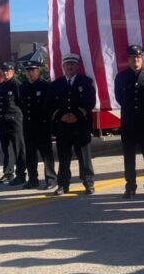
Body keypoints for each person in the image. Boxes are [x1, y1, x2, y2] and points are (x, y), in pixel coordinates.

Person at [47, 54, 97, 195]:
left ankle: (88, 183)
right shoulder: (56, 84)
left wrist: (76, 115)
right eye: (67, 64)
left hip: (81, 125)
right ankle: (63, 185)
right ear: (63, 66)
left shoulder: (86, 82)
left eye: (72, 64)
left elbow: (90, 102)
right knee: (63, 157)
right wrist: (61, 116)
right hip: (63, 127)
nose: (70, 67)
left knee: (84, 157)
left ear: (77, 66)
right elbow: (50, 104)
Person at [114, 45, 144, 199]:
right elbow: (119, 98)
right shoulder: (121, 77)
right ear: (128, 60)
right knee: (129, 156)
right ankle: (130, 186)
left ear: (142, 59)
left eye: (138, 58)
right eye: (132, 58)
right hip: (129, 122)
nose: (135, 60)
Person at [19, 61, 56, 190]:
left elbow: (50, 106)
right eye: (28, 71)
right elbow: (21, 105)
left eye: (33, 70)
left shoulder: (45, 86)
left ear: (38, 71)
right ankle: (33, 179)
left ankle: (51, 179)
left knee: (46, 154)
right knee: (30, 154)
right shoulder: (23, 87)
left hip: (42, 125)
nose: (30, 73)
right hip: (28, 126)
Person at [0, 62, 27, 186]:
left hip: (15, 122)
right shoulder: (1, 86)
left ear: (13, 71)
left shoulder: (17, 85)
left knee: (19, 150)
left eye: (8, 70)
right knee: (6, 149)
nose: (5, 73)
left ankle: (21, 175)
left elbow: (21, 104)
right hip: (3, 122)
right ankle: (8, 173)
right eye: (3, 70)